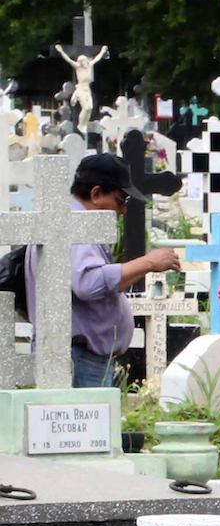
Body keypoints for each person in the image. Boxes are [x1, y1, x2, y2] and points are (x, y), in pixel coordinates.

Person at [23, 153, 182, 388]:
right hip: (76, 358)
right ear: (96, 194)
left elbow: (101, 285)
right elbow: (88, 283)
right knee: (79, 424)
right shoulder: (71, 224)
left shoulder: (71, 221)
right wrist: (147, 262)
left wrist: (144, 268)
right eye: (120, 200)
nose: (123, 210)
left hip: (82, 357)